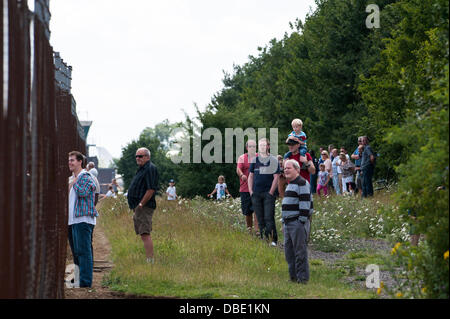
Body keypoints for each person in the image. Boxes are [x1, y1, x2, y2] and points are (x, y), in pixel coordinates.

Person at [67, 151, 98, 288]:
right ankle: (79, 279)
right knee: (76, 252)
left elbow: (84, 193)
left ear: (80, 162)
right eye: (69, 160)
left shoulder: (86, 176)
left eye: (72, 160)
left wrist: (74, 182)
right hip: (73, 220)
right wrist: (72, 181)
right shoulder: (72, 178)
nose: (70, 162)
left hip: (83, 220)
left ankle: (85, 282)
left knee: (84, 251)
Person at [281, 159, 313, 284]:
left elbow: (305, 203)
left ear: (297, 169)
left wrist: (301, 222)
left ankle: (302, 279)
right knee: (289, 253)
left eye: (288, 168)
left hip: (297, 223)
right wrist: (284, 222)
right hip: (288, 223)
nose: (286, 170)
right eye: (284, 168)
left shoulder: (302, 183)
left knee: (300, 252)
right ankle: (293, 278)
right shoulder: (290, 183)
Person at [127, 147, 159, 264]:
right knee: (142, 233)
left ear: (147, 157)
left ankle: (150, 261)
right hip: (139, 206)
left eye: (140, 156)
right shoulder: (141, 169)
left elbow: (151, 189)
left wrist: (141, 204)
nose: (137, 158)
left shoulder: (150, 168)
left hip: (144, 206)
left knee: (145, 233)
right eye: (136, 156)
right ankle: (148, 259)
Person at [248, 138, 280, 246]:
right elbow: (250, 176)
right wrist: (250, 191)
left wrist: (271, 192)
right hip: (256, 193)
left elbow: (276, 177)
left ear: (268, 146)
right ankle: (264, 238)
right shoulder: (254, 160)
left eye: (264, 145)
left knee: (268, 217)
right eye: (260, 145)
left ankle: (273, 239)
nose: (262, 147)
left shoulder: (273, 160)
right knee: (260, 217)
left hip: (268, 193)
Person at [237, 140, 259, 235]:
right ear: (247, 148)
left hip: (257, 188)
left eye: (254, 146)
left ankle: (257, 230)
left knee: (257, 210)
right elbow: (238, 169)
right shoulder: (242, 158)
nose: (252, 148)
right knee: (248, 211)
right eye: (250, 146)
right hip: (245, 188)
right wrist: (242, 175)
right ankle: (249, 229)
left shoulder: (259, 157)